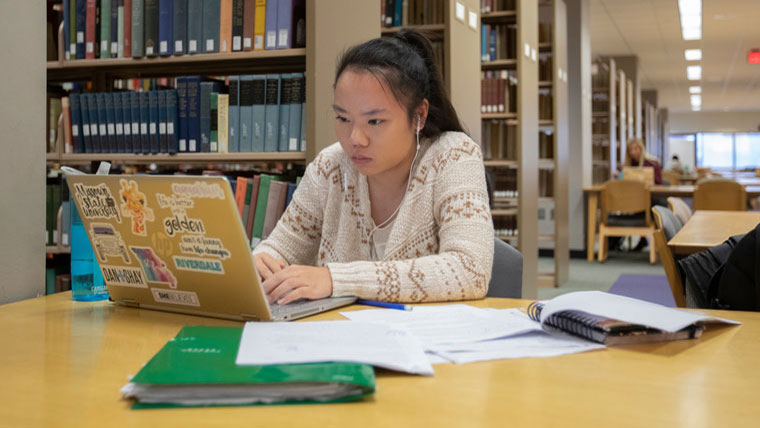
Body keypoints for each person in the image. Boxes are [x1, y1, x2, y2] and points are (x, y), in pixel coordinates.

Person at [252, 29, 494, 305]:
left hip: (424, 342)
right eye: (343, 118)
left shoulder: (454, 156)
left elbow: (470, 270)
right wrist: (259, 262)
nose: (355, 139)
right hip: (343, 339)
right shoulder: (329, 166)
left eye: (374, 122)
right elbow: (281, 247)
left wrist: (335, 280)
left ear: (419, 115)